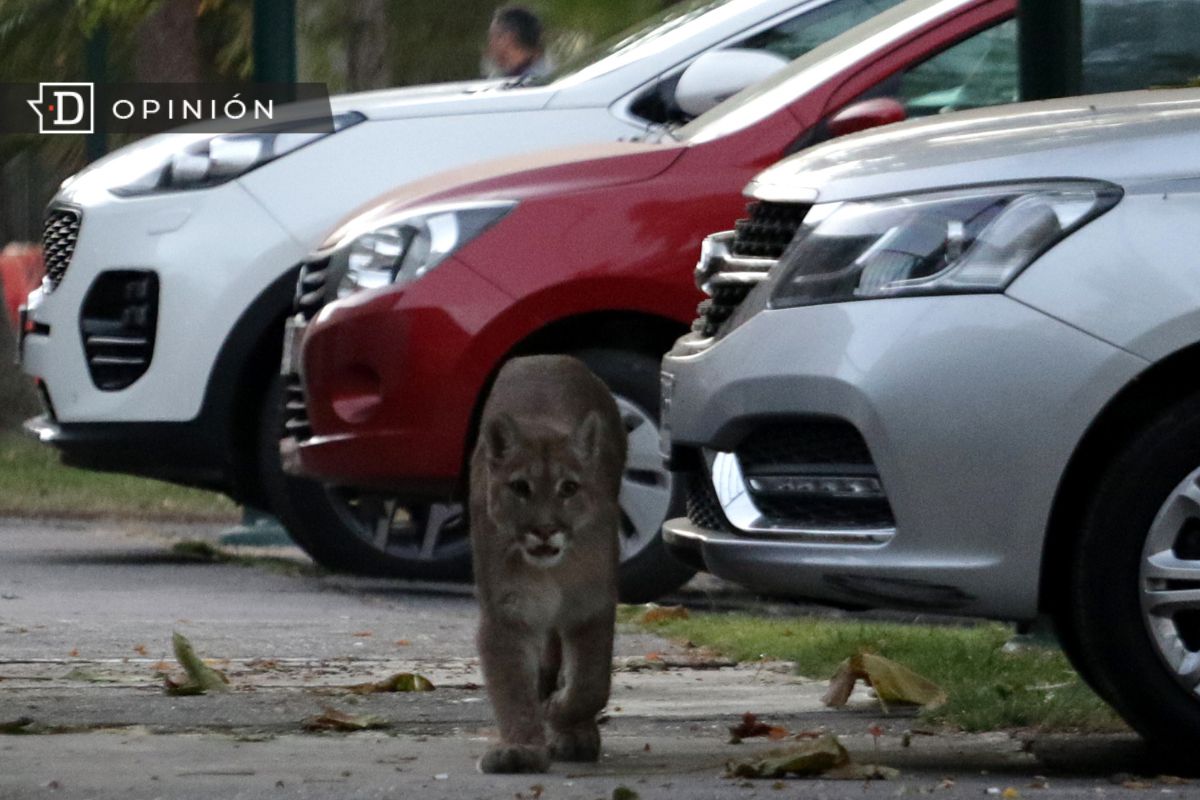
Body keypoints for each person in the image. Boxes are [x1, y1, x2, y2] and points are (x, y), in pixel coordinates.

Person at [485, 6, 551, 81]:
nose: (490, 44)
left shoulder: (538, 83)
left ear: (509, 38)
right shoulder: (508, 78)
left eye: (493, 36)